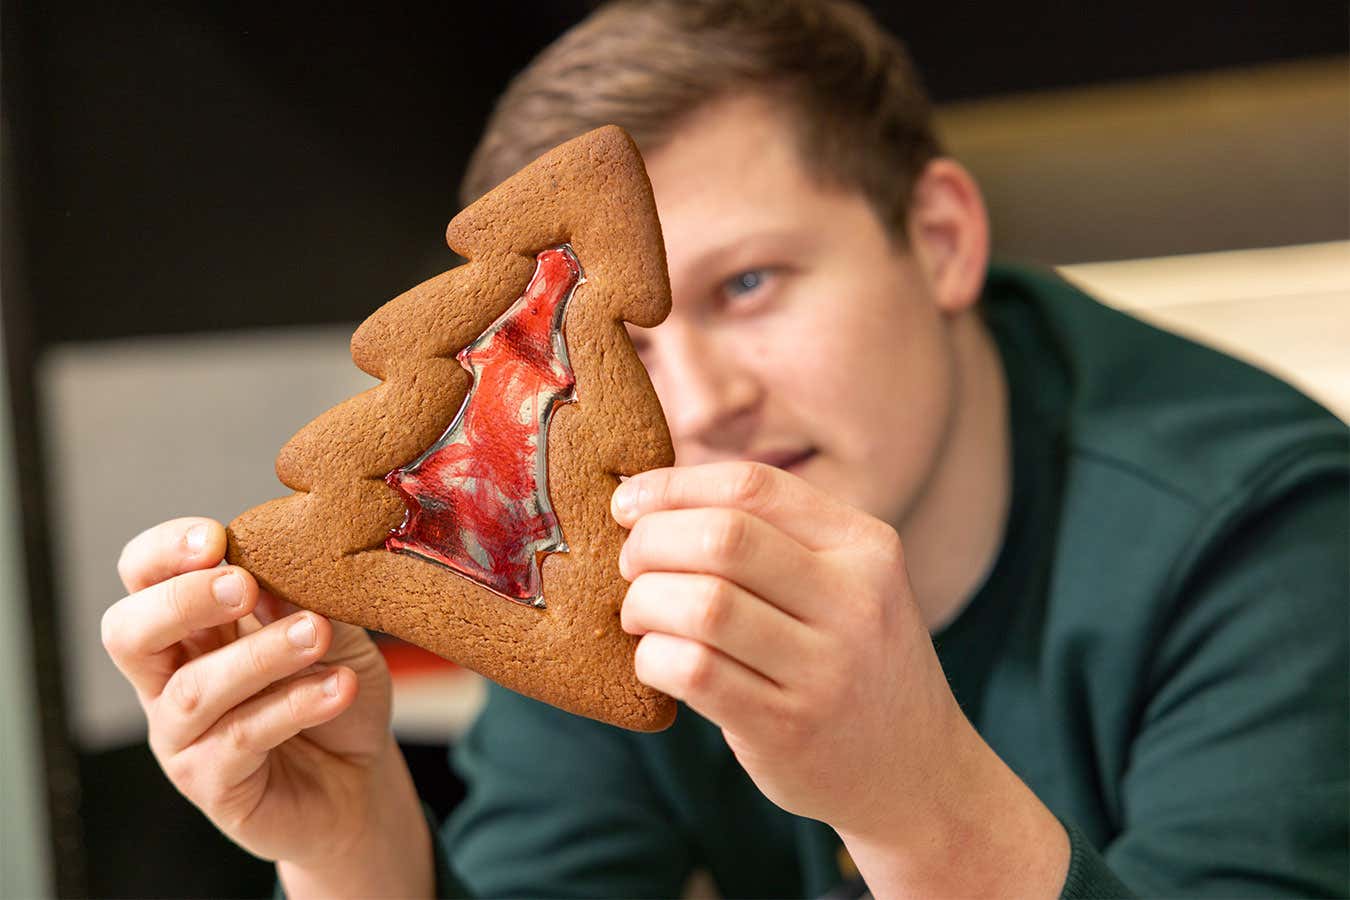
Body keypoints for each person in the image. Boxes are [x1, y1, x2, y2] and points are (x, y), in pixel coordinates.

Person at [101, 1, 1348, 897]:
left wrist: (922, 807)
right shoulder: (595, 568)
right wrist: (356, 855)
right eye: (624, 338)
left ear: (943, 239)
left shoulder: (1270, 535)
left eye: (750, 282)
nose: (695, 401)